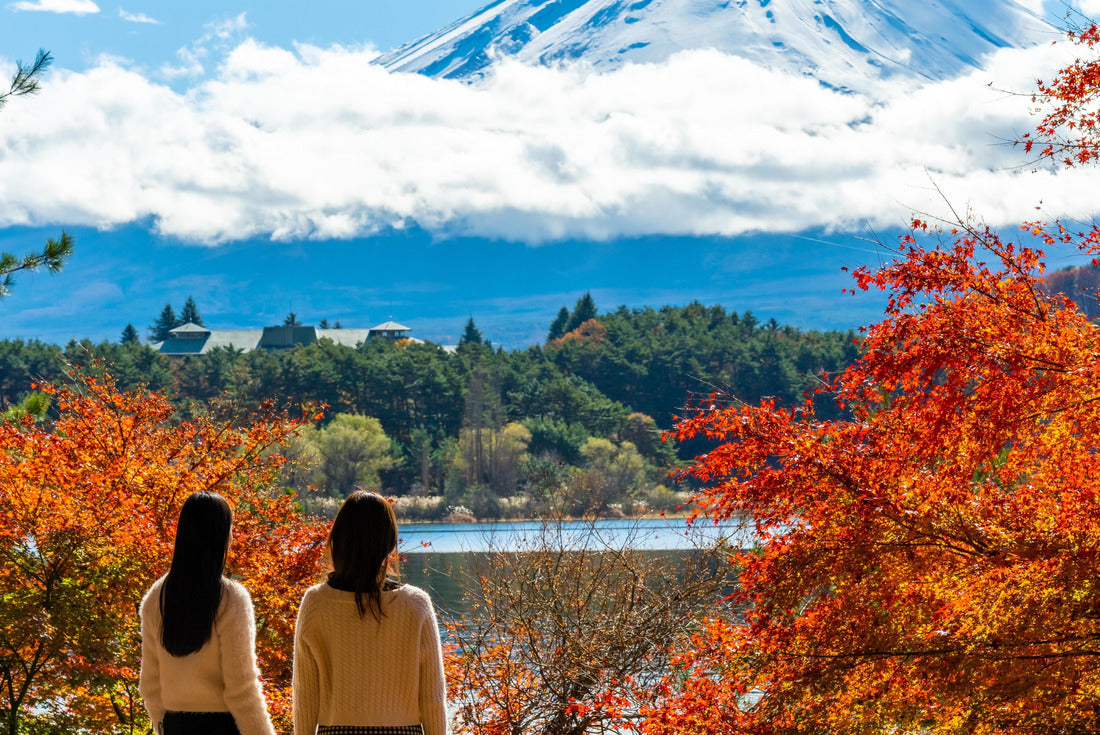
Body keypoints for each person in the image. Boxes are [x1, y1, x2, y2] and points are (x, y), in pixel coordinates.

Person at [293, 491, 447, 735]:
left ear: (339, 539)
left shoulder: (316, 602)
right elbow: (432, 699)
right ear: (389, 543)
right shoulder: (416, 604)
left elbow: (305, 696)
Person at [139, 491, 276, 735]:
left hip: (175, 726)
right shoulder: (231, 599)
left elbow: (150, 687)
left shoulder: (155, 598)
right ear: (220, 537)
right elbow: (242, 689)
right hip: (223, 727)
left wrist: (164, 726)